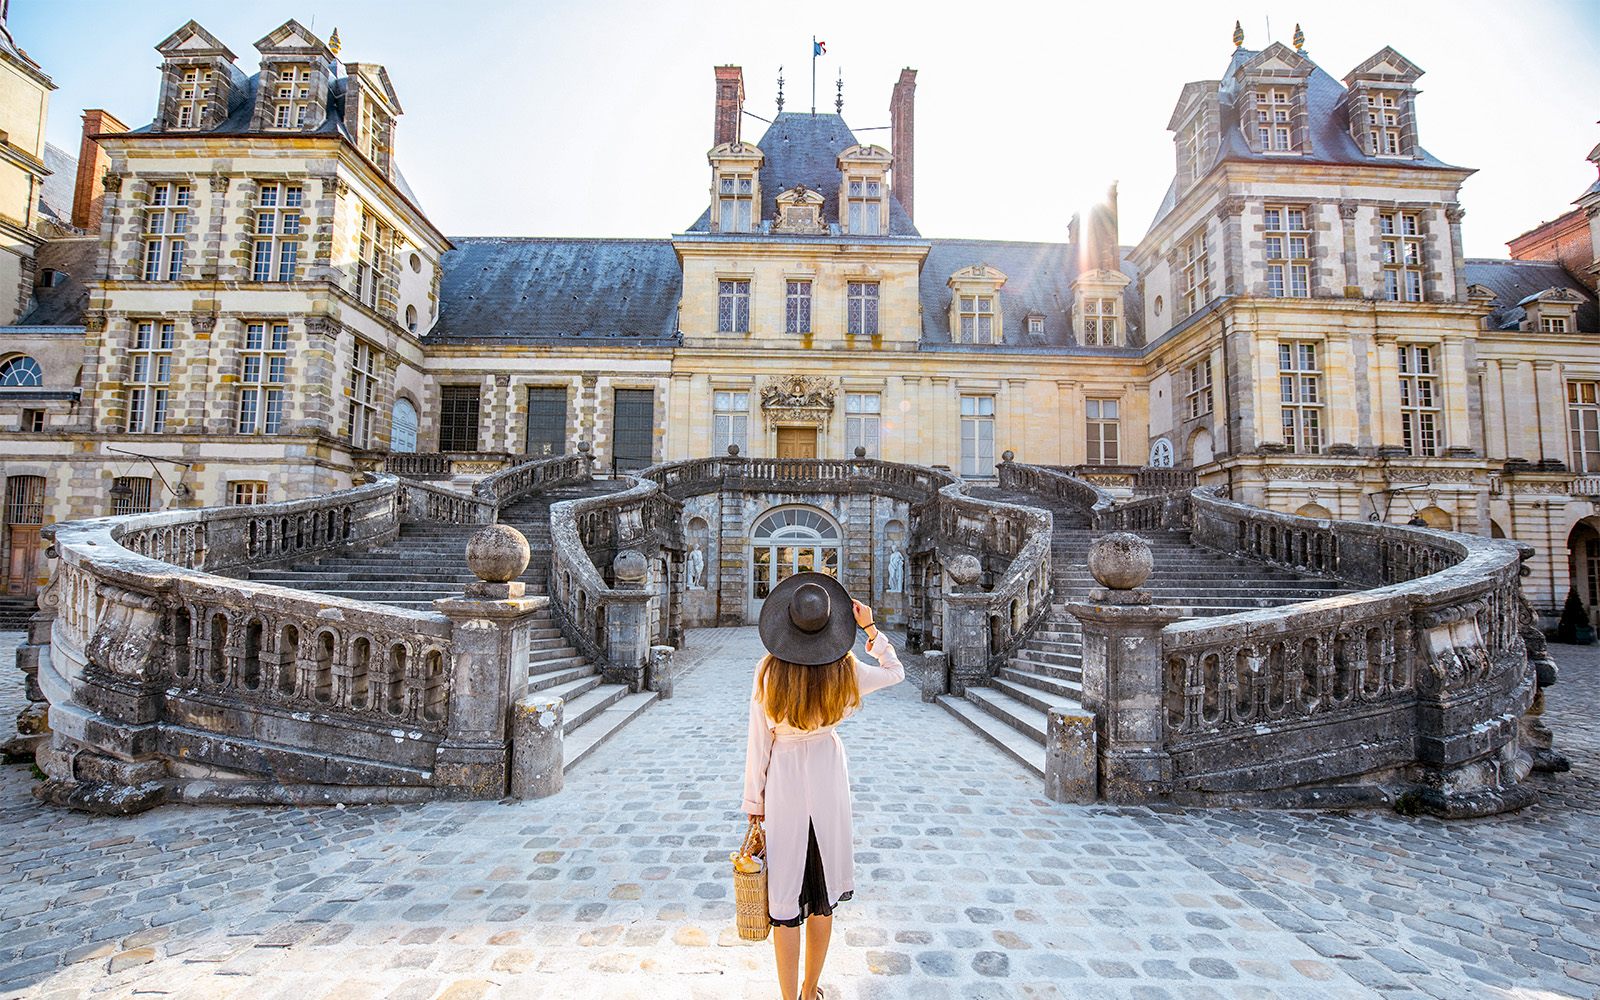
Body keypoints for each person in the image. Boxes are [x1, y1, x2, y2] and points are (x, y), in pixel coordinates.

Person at [743, 572, 904, 1000]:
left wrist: (753, 801)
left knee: (785, 898)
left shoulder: (767, 671)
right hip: (828, 775)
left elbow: (758, 745)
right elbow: (895, 671)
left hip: (784, 783)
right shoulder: (846, 669)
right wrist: (870, 629)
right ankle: (811, 989)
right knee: (822, 893)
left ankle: (788, 996)